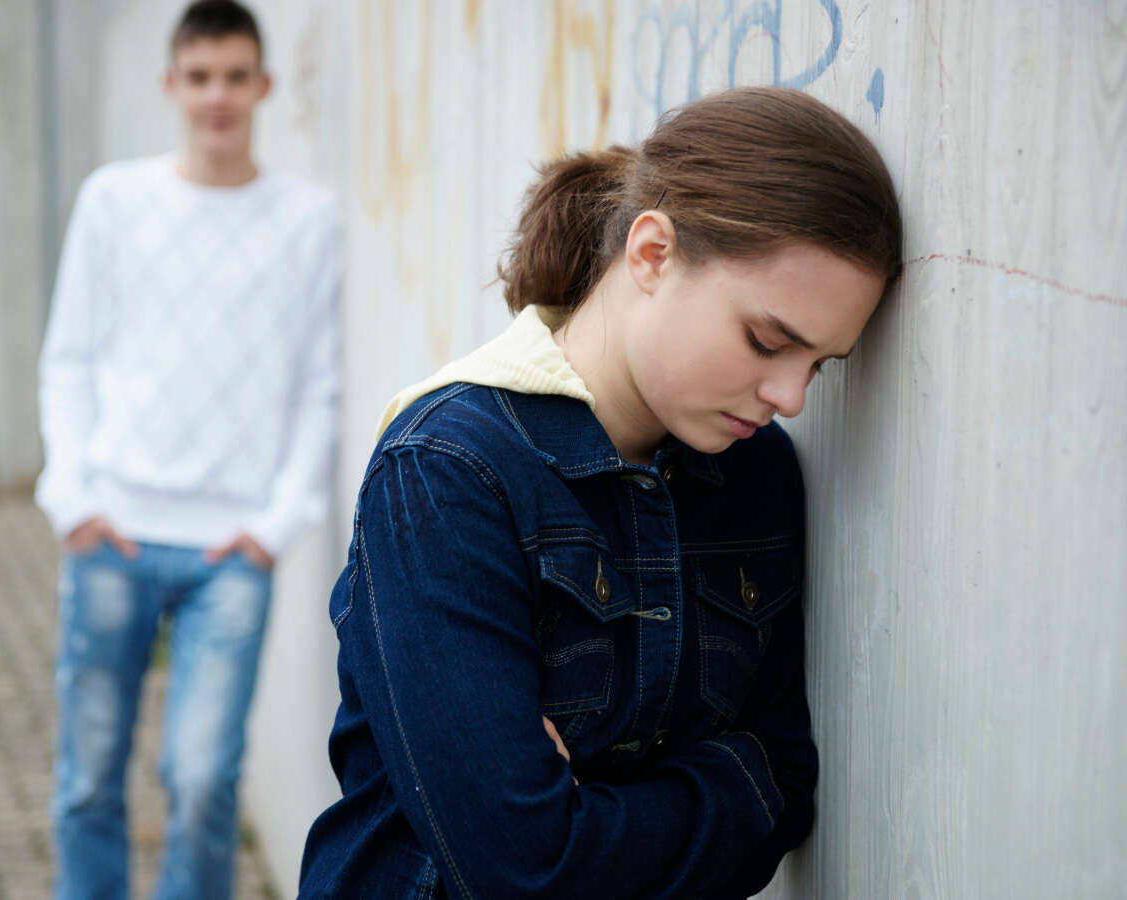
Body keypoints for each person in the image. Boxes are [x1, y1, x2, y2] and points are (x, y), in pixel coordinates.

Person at [297, 86, 902, 899]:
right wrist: (724, 784)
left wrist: (585, 813)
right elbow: (523, 869)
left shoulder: (757, 474)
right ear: (651, 254)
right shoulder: (449, 469)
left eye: (819, 365)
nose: (790, 397)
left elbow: (785, 783)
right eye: (767, 341)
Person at [36, 1, 342, 897]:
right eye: (200, 77)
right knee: (88, 777)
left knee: (204, 780)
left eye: (235, 78)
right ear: (171, 84)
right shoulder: (114, 200)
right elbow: (69, 358)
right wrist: (73, 499)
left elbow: (317, 386)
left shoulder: (309, 218)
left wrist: (276, 525)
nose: (218, 97)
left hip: (230, 553)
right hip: (113, 532)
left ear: (265, 86)